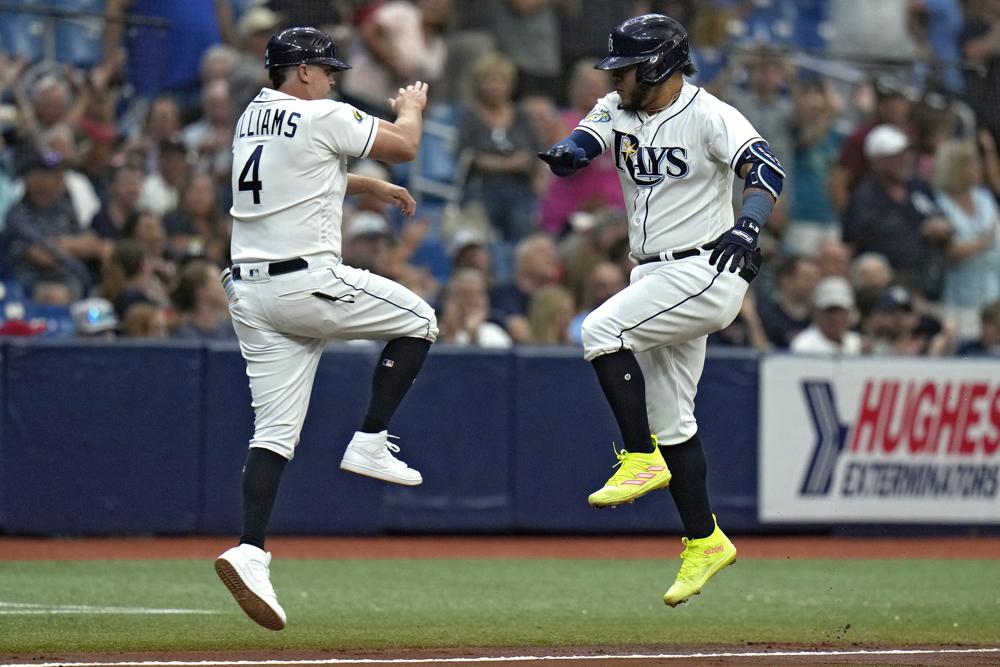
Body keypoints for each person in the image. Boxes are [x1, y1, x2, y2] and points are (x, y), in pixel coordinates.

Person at [538, 14, 783, 607]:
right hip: (653, 270)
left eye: (625, 67)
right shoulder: (616, 107)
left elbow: (765, 170)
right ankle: (706, 539)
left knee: (600, 329)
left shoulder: (710, 114)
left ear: (657, 66)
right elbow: (585, 141)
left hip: (706, 266)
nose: (616, 77)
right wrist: (566, 154)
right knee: (675, 419)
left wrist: (748, 226)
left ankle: (639, 457)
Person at [213, 27, 437, 632]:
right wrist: (411, 108)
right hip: (302, 282)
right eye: (328, 69)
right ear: (304, 72)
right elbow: (407, 145)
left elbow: (302, 176)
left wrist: (368, 186)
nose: (335, 78)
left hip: (249, 290)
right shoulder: (323, 114)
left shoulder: (251, 118)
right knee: (421, 319)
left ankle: (250, 550)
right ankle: (369, 439)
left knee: (274, 434)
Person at [789, 276, 863, 355]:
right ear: (816, 313)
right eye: (829, 311)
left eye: (840, 311)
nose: (835, 317)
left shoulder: (857, 343)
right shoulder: (803, 346)